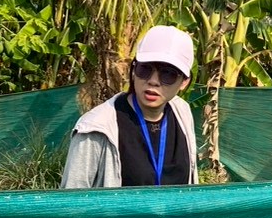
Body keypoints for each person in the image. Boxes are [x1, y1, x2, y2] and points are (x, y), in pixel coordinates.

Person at [61, 25, 199, 189]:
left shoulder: (182, 112)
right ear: (133, 70)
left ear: (184, 82)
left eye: (168, 74)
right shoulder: (95, 128)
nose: (153, 81)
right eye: (145, 69)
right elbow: (72, 198)